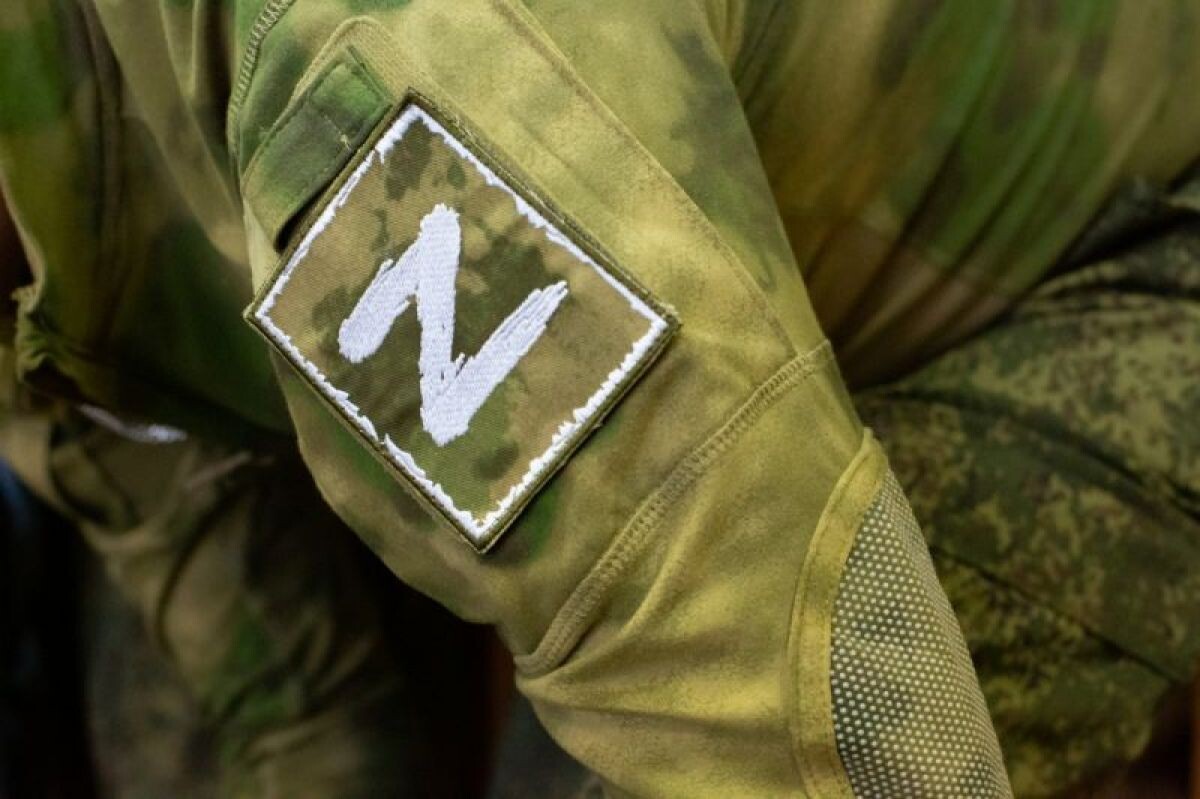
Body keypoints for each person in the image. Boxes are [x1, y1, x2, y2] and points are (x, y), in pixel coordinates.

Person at [1, 2, 1198, 797]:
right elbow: (265, 665)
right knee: (172, 752)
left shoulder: (373, 55)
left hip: (1123, 253)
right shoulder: (32, 248)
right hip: (783, 287)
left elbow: (778, 695)